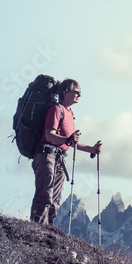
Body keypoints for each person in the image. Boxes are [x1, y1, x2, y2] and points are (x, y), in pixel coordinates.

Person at [29, 78, 102, 225]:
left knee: (55, 198)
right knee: (45, 194)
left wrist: (91, 149)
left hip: (59, 158)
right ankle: (36, 229)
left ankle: (48, 230)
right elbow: (49, 135)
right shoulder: (56, 109)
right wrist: (67, 140)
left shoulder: (69, 113)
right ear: (65, 92)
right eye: (76, 92)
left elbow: (71, 140)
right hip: (46, 155)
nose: (79, 95)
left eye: (80, 92)